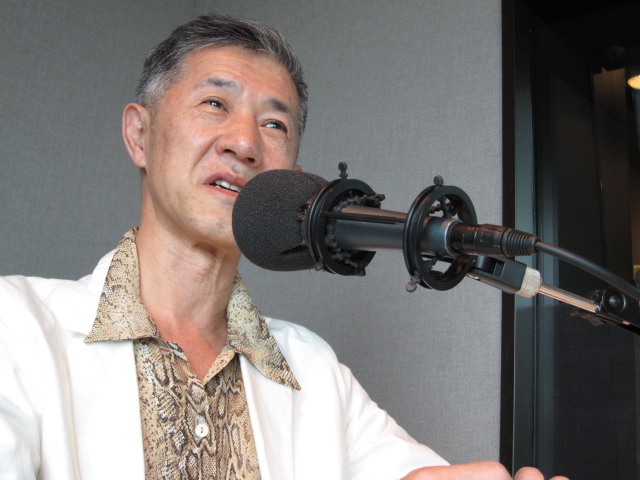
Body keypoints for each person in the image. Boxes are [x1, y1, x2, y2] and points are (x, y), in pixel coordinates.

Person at [0, 12, 567, 480]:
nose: (244, 143)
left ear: (291, 181)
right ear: (139, 134)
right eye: (215, 104)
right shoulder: (17, 326)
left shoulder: (315, 370)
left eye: (274, 125)